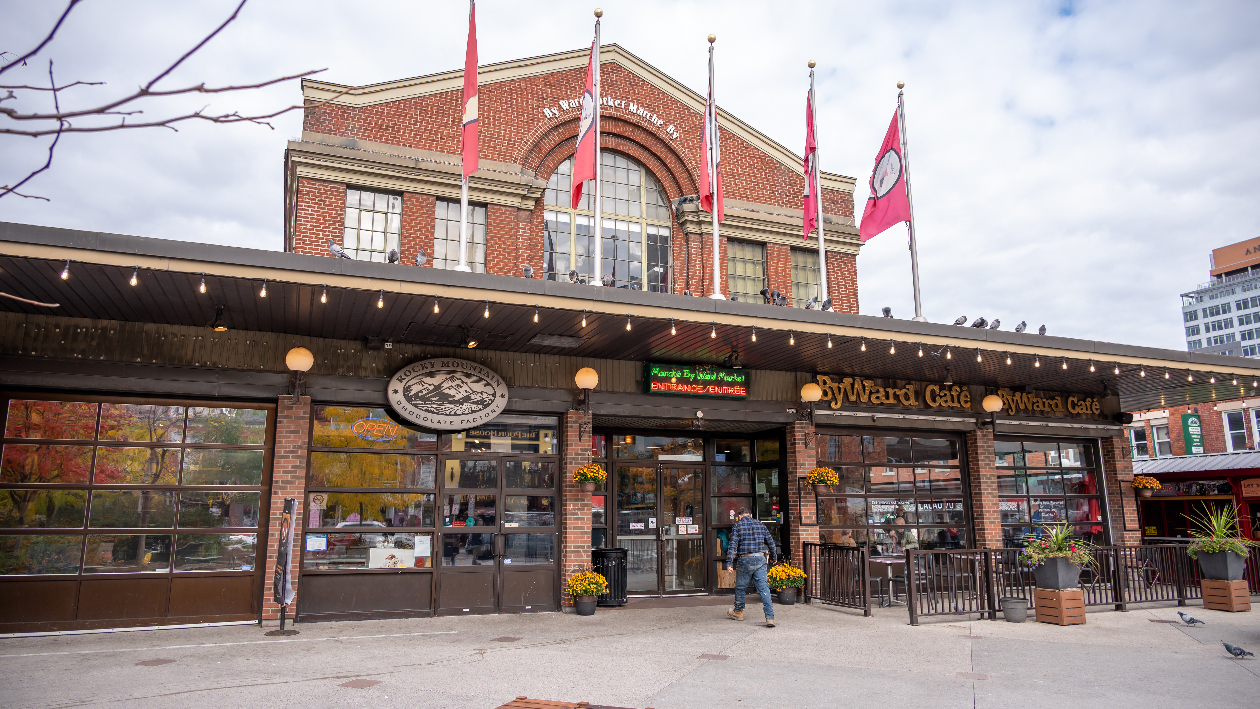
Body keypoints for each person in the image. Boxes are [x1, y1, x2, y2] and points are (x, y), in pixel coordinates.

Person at [725, 506, 778, 627]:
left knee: (740, 588)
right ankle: (770, 617)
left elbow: (733, 546)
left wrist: (729, 563)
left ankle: (738, 612)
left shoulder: (737, 526)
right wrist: (774, 557)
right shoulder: (760, 524)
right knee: (764, 588)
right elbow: (771, 543)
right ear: (750, 515)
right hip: (760, 559)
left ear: (740, 516)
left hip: (745, 559)